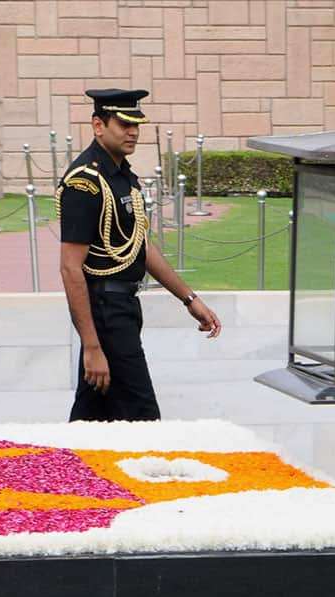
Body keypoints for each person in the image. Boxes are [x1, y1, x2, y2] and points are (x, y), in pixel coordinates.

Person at [56, 88, 222, 422]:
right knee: (143, 418)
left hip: (124, 308)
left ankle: (66, 471)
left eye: (136, 125)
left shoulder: (122, 177)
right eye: (123, 124)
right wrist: (91, 346)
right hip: (106, 312)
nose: (132, 132)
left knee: (94, 419)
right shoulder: (85, 183)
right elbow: (71, 268)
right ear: (98, 125)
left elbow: (140, 245)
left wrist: (189, 299)